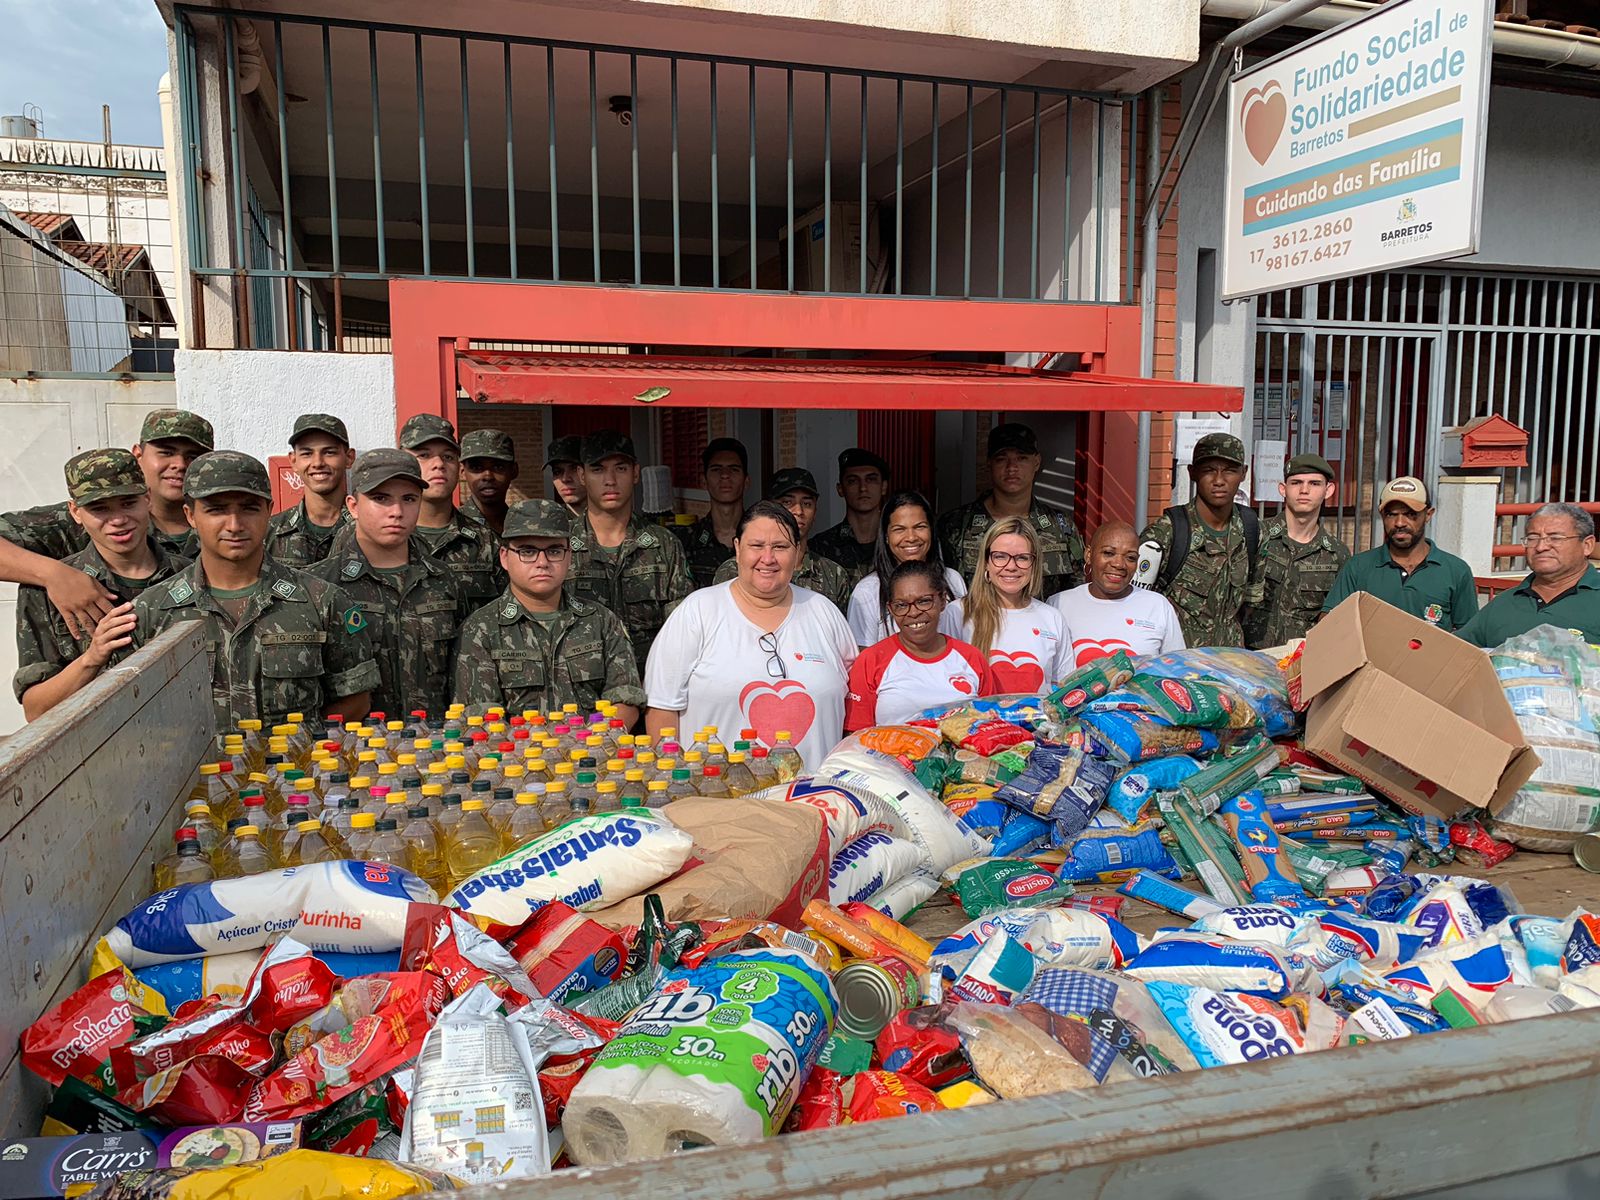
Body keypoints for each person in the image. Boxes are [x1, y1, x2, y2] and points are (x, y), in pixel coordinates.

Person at [129, 451, 379, 731]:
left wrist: (300, 750)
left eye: (249, 508)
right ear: (190, 515)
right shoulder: (151, 613)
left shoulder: (322, 601)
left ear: (269, 510)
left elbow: (356, 700)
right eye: (216, 510)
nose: (235, 525)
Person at [645, 501, 856, 770]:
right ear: (737, 548)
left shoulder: (823, 612)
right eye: (756, 546)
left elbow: (856, 703)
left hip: (813, 801)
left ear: (798, 551)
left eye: (780, 547)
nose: (767, 558)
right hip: (718, 800)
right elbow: (662, 709)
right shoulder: (697, 611)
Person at [0, 409, 210, 640]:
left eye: (193, 456)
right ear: (138, 454)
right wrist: (53, 574)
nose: (179, 464)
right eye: (166, 452)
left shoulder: (227, 523)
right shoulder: (83, 518)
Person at [13, 450, 182, 720]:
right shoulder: (44, 593)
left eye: (128, 503)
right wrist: (92, 658)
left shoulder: (189, 575)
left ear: (147, 499)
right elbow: (35, 710)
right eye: (99, 508)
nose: (118, 520)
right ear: (75, 512)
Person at [454, 499, 645, 722]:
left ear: (569, 556)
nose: (542, 562)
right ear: (505, 557)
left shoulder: (601, 621)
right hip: (517, 754)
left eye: (554, 551)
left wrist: (587, 744)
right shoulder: (482, 629)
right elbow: (483, 717)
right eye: (527, 551)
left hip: (594, 752)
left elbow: (625, 699)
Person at [307, 449, 463, 718]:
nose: (397, 511)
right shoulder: (320, 585)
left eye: (409, 499)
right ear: (353, 506)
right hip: (357, 752)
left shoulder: (443, 580)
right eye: (381, 498)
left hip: (436, 749)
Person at [568, 430, 694, 672]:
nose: (610, 480)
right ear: (582, 475)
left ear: (636, 473)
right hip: (580, 688)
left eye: (621, 468)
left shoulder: (664, 544)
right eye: (598, 469)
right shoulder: (559, 546)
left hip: (649, 682)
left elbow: (681, 632)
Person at [1138, 432, 1263, 647]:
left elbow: (1252, 599)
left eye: (1230, 471)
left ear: (1244, 474)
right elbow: (1135, 602)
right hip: (1178, 666)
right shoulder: (1168, 532)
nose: (1219, 481)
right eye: (1208, 471)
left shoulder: (1251, 529)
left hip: (1230, 664)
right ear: (1192, 473)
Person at [937, 422, 1085, 598]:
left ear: (1036, 462)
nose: (1012, 467)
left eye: (1022, 458)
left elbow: (1075, 593)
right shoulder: (956, 526)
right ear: (989, 464)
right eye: (1002, 459)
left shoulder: (1061, 526)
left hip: (1042, 624)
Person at [847, 560, 997, 731]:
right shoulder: (871, 660)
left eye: (924, 601)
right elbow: (855, 736)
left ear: (942, 600)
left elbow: (990, 726)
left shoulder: (971, 658)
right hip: (887, 758)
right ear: (890, 608)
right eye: (901, 605)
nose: (914, 612)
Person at [1320, 476, 1478, 630]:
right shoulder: (1359, 567)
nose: (1400, 523)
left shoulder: (1456, 571)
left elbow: (1470, 636)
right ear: (1382, 515)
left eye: (1410, 514)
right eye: (1391, 514)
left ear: (1428, 515)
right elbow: (1328, 622)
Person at [940, 516, 1071, 692]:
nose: (1011, 566)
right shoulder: (958, 613)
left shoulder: (1051, 617)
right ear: (986, 562)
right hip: (976, 719)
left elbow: (1064, 689)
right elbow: (943, 683)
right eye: (1000, 556)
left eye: (1022, 558)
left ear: (1034, 563)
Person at [399, 413, 505, 614]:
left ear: (459, 467)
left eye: (448, 457)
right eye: (424, 455)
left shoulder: (485, 541)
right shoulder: (373, 535)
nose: (438, 464)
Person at [1243, 453, 1350, 649]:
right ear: (1283, 489)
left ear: (1329, 490)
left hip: (1299, 663)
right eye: (1296, 482)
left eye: (1315, 484)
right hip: (1247, 657)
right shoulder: (1256, 536)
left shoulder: (1336, 554)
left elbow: (1335, 621)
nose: (1304, 490)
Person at [1458, 504, 1599, 647]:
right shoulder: (1504, 603)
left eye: (1555, 538)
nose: (1540, 547)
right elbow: (1457, 652)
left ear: (1587, 545)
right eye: (1532, 538)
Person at [713, 468, 852, 612]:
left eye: (807, 504)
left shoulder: (833, 575)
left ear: (815, 511)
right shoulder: (734, 570)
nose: (798, 511)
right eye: (787, 502)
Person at [1049, 521, 1185, 667]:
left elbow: (1177, 668)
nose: (1119, 564)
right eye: (1109, 553)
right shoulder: (1059, 604)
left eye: (1130, 557)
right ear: (1089, 555)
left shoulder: (1157, 606)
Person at [849, 490, 967, 647]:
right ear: (886, 536)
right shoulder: (868, 591)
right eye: (899, 529)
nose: (911, 537)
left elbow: (966, 643)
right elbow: (863, 658)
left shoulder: (952, 580)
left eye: (920, 527)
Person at [265, 413, 355, 568]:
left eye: (329, 452)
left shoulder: (367, 528)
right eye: (307, 453)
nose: (318, 463)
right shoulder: (270, 532)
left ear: (349, 458)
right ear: (293, 461)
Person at [676, 437, 749, 588]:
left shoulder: (760, 539)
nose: (725, 475)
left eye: (734, 469)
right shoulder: (685, 541)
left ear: (746, 481)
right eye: (716, 469)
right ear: (704, 481)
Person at [812, 448, 890, 583]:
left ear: (883, 487)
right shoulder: (820, 547)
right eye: (853, 481)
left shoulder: (897, 541)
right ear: (840, 489)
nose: (863, 488)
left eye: (871, 479)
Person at [458, 428, 519, 535]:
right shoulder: (453, 527)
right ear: (462, 472)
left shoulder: (525, 526)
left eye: (498, 467)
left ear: (513, 471)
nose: (488, 476)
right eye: (476, 468)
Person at [546, 435, 587, 516]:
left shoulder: (613, 519)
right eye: (557, 472)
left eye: (574, 469)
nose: (565, 479)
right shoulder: (550, 523)